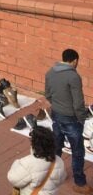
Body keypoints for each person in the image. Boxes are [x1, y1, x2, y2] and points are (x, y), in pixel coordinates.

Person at [45, 49, 92, 193]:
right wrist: (81, 119)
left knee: (57, 146)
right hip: (71, 119)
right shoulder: (73, 77)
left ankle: (53, 174)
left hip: (56, 114)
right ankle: (80, 183)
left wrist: (57, 106)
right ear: (75, 61)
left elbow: (48, 94)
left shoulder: (50, 72)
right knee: (78, 151)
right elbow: (78, 103)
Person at [7, 126, 67, 194]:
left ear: (34, 144)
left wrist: (17, 163)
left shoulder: (27, 162)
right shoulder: (59, 161)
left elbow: (13, 179)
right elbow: (61, 179)